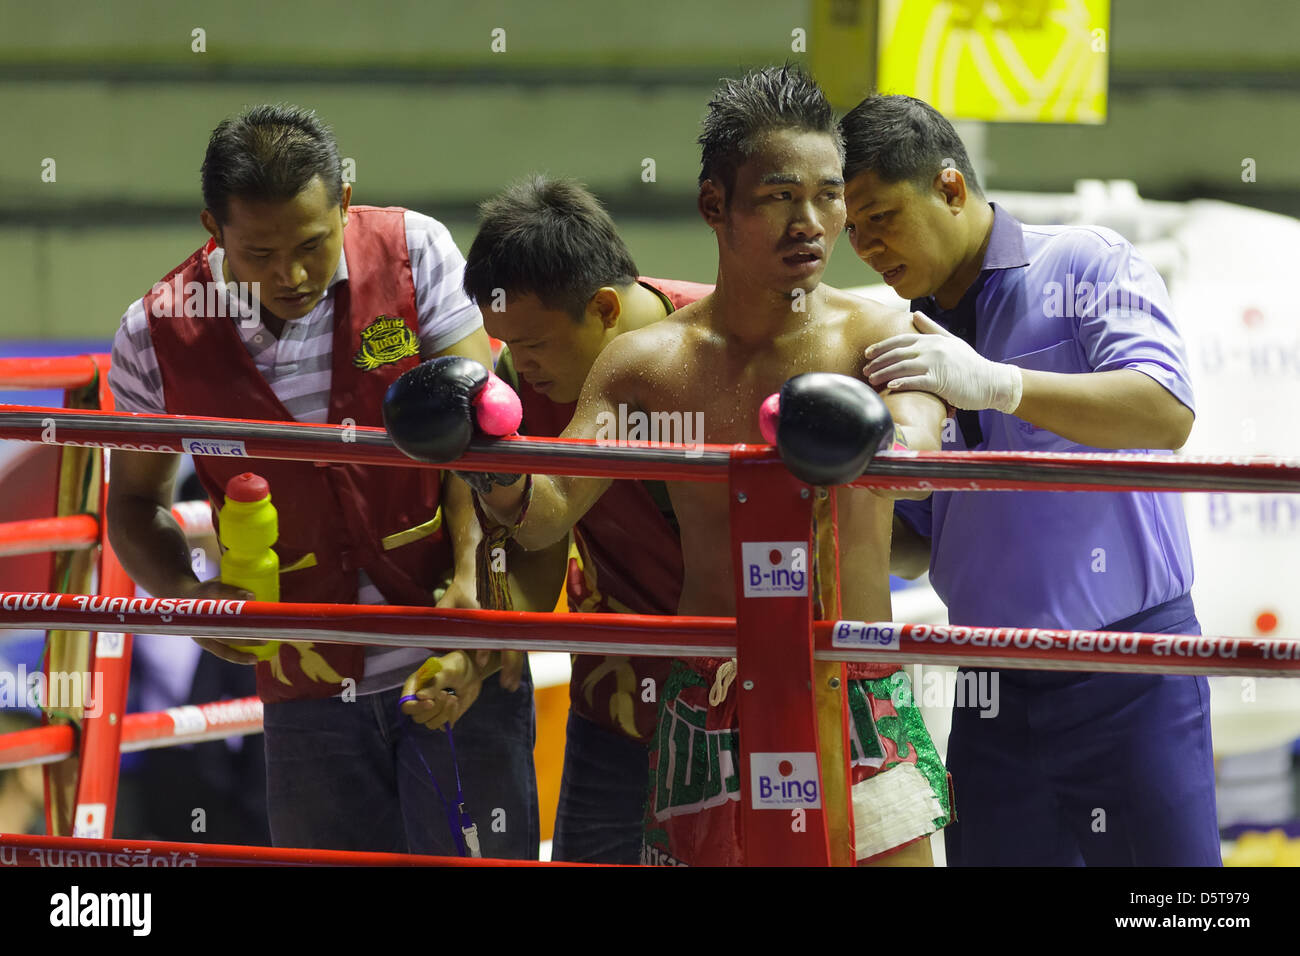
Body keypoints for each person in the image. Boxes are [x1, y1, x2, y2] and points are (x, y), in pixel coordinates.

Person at [457, 67, 953, 866]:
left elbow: (917, 452)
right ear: (715, 205)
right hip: (706, 698)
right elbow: (550, 508)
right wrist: (485, 456)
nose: (812, 222)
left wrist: (863, 439)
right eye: (780, 196)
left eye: (830, 196)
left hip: (853, 683)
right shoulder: (645, 364)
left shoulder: (879, 333)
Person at [105, 104, 537, 858]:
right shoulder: (154, 333)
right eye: (260, 252)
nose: (291, 274)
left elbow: (482, 433)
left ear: (343, 200)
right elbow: (135, 504)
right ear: (214, 227)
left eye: (312, 243)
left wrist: (476, 585)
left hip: (452, 655)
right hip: (304, 691)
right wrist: (187, 592)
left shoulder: (414, 250)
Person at [839, 93, 1220, 866]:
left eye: (881, 216)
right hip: (992, 687)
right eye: (853, 229)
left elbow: (1165, 409)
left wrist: (1001, 384)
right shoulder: (890, 337)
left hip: (1129, 671)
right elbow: (915, 541)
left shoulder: (1084, 262)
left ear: (949, 188)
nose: (868, 246)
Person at [451, 174, 710, 863]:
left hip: (743, 698)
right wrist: (502, 624)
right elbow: (539, 536)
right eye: (506, 341)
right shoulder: (514, 377)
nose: (519, 364)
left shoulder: (726, 352)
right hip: (615, 702)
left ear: (600, 308)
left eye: (534, 343)